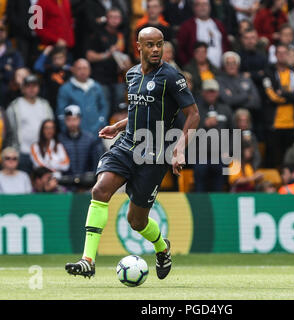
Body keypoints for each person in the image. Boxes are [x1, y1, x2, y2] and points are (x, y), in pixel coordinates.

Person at [65, 27, 200, 280]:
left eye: (159, 44)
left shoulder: (172, 77)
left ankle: (162, 247)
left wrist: (180, 148)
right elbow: (139, 111)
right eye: (150, 45)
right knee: (100, 190)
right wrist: (118, 125)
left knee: (136, 221)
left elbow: (193, 114)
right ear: (139, 47)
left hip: (155, 154)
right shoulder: (131, 74)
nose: (156, 49)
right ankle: (88, 260)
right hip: (127, 145)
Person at [6, 75, 54, 173]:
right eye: (28, 86)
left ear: (38, 88)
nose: (31, 89)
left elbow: (51, 128)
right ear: (22, 88)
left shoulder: (45, 105)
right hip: (23, 152)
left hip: (43, 152)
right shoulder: (14, 106)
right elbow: (9, 131)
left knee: (42, 186)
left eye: (35, 86)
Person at [86, 8, 130, 115]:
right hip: (101, 78)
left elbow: (128, 57)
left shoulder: (122, 35)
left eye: (117, 17)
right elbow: (89, 56)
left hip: (118, 78)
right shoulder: (98, 33)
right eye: (112, 17)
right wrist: (107, 54)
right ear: (107, 18)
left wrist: (125, 64)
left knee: (120, 108)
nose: (115, 20)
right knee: (104, 108)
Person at [262, 44, 294, 168]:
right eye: (280, 53)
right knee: (272, 160)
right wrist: (290, 96)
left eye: (285, 53)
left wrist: (283, 94)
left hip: (292, 123)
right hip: (275, 123)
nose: (283, 55)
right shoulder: (269, 73)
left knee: (289, 161)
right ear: (275, 55)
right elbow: (271, 97)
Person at [193, 79, 232, 192]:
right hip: (200, 155)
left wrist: (228, 151)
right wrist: (203, 124)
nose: (211, 94)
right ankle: (199, 208)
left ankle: (218, 208)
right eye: (208, 91)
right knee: (200, 187)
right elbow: (187, 132)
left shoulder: (225, 109)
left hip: (220, 155)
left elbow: (233, 132)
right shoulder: (196, 110)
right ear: (203, 92)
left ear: (218, 93)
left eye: (213, 91)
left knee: (219, 187)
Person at [56, 59, 109, 137]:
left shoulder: (96, 86)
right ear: (73, 70)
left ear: (90, 70)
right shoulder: (65, 89)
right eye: (79, 68)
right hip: (74, 134)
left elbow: (104, 107)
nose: (82, 71)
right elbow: (61, 112)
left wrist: (101, 123)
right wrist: (66, 130)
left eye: (85, 68)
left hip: (96, 132)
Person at [177, 0, 231, 68]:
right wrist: (190, 67)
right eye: (199, 4)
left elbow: (227, 45)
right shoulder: (186, 26)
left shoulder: (219, 24)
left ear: (210, 7)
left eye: (205, 4)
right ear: (194, 8)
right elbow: (181, 49)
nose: (202, 7)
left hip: (220, 71)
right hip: (197, 71)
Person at [59, 105, 104, 176]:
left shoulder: (89, 138)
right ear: (65, 120)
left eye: (74, 119)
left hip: (87, 182)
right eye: (68, 120)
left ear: (80, 119)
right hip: (66, 182)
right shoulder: (60, 139)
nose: (72, 123)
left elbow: (95, 162)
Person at [33, 45, 72, 110]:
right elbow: (37, 67)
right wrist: (45, 52)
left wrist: (67, 67)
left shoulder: (69, 70)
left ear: (65, 58)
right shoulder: (49, 70)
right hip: (49, 103)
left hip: (66, 102)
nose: (57, 61)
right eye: (55, 58)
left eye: (60, 58)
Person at [0, 20, 25, 106]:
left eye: (2, 30)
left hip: (8, 95)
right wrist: (5, 68)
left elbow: (20, 73)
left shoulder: (14, 53)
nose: (0, 32)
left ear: (6, 32)